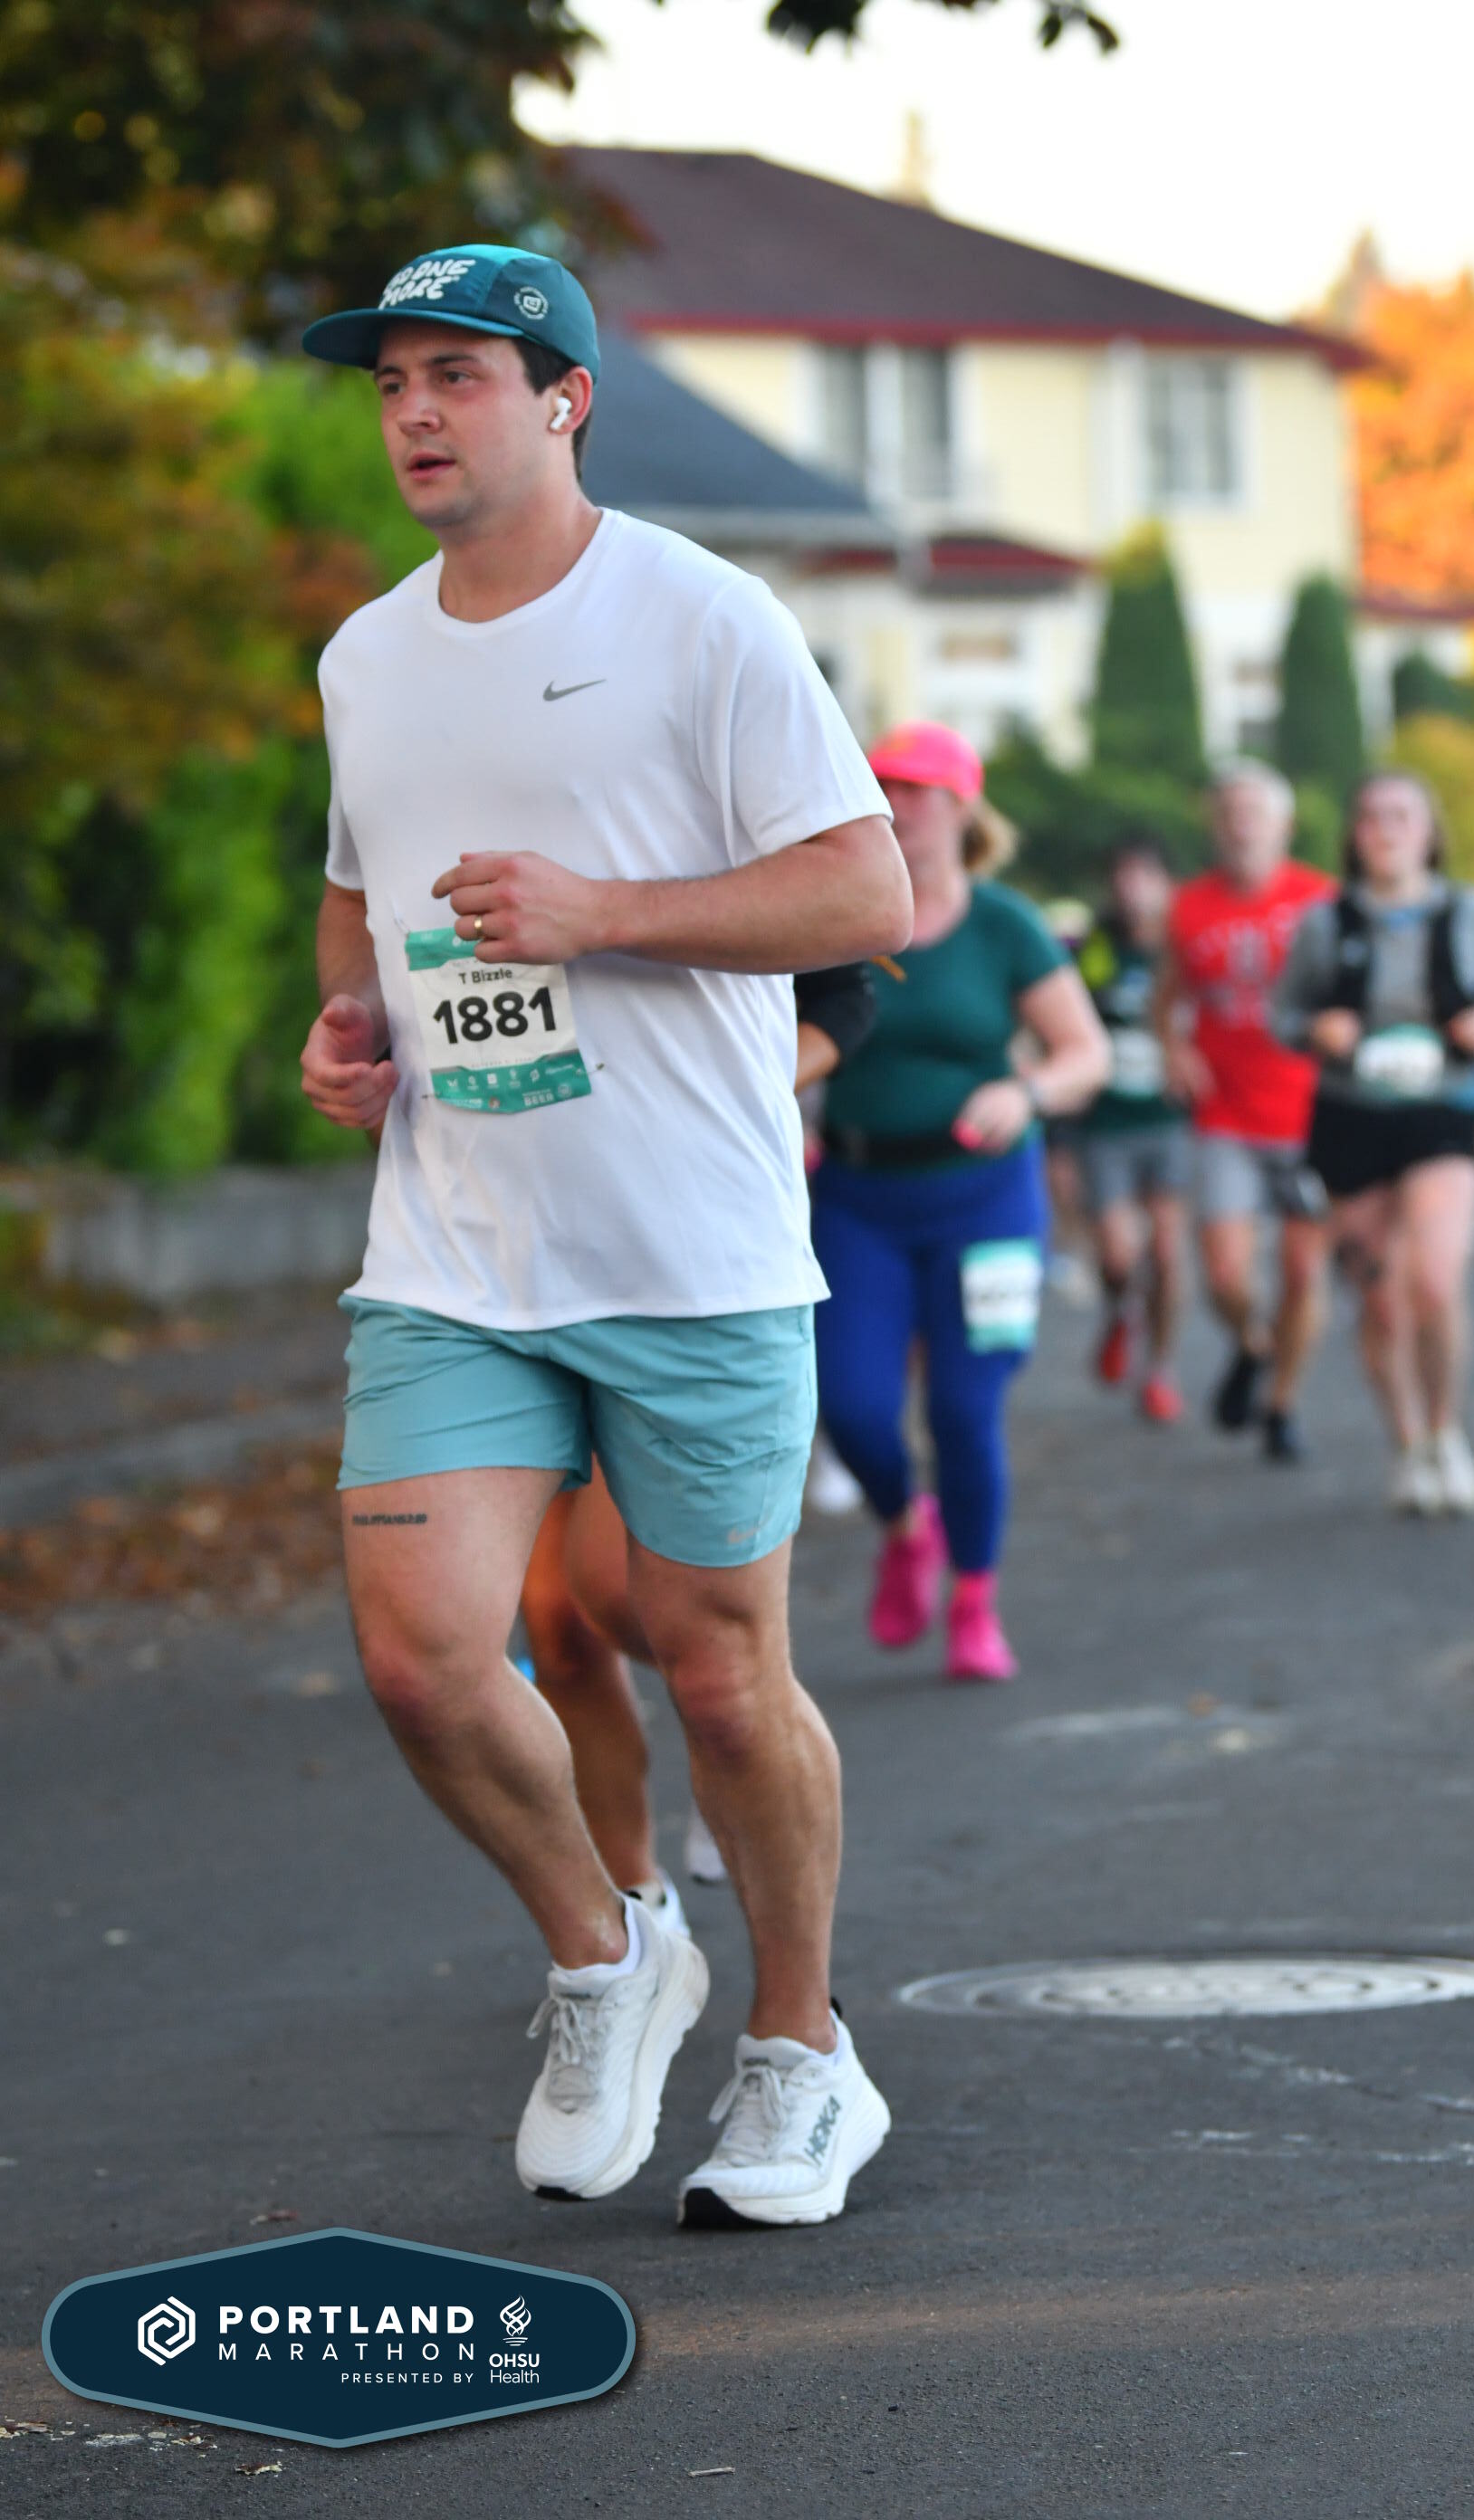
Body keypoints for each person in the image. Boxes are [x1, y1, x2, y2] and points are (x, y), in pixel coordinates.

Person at [295, 242, 912, 2229]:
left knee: (721, 1672)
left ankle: (803, 2053)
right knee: (421, 1658)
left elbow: (866, 895)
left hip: (692, 1247)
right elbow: (360, 887)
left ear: (562, 399)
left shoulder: (703, 615)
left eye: (456, 375)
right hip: (459, 1247)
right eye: (391, 381)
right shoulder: (366, 656)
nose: (412, 412)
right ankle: (609, 1949)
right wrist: (352, 1019)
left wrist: (604, 913)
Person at [517, 964, 881, 1905]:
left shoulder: (685, 859)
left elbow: (845, 991)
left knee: (611, 1594)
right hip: (492, 1250)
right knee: (555, 1629)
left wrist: (745, 1079)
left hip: (660, 1259)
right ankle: (636, 1907)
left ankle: (733, 1709)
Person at [809, 721, 1110, 1683]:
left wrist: (1025, 1092)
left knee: (963, 1408)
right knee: (851, 1405)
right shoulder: (832, 917)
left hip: (985, 1198)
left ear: (962, 808)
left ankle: (974, 1599)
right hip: (856, 1194)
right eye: (881, 787)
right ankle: (907, 1527)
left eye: (917, 790)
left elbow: (1085, 1054)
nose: (896, 807)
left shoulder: (1003, 924)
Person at [1272, 770, 1474, 1515]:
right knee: (1381, 1299)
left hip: (1443, 1108)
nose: (1386, 830)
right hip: (1352, 1114)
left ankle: (1445, 1432)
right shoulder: (1324, 923)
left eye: (1402, 816)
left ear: (1430, 832)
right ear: (1354, 834)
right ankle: (1405, 1444)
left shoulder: (1470, 912)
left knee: (1434, 1279)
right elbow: (1282, 1015)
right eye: (1371, 817)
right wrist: (1315, 1029)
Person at [1155, 761, 1335, 1462]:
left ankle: (1282, 1404)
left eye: (1254, 811)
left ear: (1283, 825)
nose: (1240, 824)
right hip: (1224, 1112)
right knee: (1225, 1272)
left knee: (1302, 1271)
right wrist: (1174, 1048)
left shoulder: (1320, 900)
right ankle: (1255, 1345)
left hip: (1310, 1112)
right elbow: (1166, 999)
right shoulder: (1188, 906)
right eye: (1228, 812)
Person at [1072, 838, 1190, 1420]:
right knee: (1118, 1255)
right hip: (1108, 1121)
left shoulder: (1183, 946)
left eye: (1144, 875)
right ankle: (1121, 1311)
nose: (1132, 888)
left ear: (1167, 883)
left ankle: (1160, 1369)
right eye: (1122, 876)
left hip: (1170, 1119)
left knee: (1166, 1251)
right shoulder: (1097, 947)